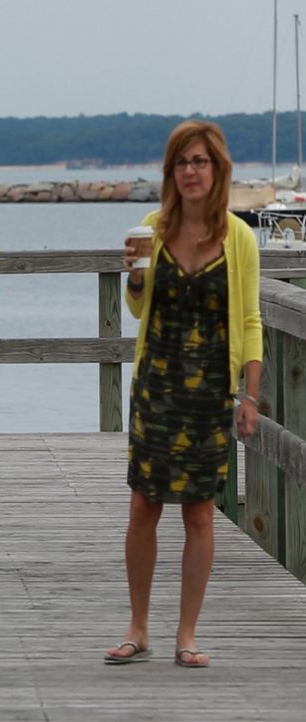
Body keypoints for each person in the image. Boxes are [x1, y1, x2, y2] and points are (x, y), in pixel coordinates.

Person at [104, 120, 261, 669]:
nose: (190, 171)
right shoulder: (153, 227)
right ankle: (138, 627)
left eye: (200, 161)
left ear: (217, 169)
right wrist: (135, 277)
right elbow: (137, 310)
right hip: (157, 388)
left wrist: (250, 396)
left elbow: (250, 320)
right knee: (143, 505)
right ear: (171, 172)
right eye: (181, 163)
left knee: (199, 512)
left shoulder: (239, 237)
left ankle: (186, 634)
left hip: (211, 394)